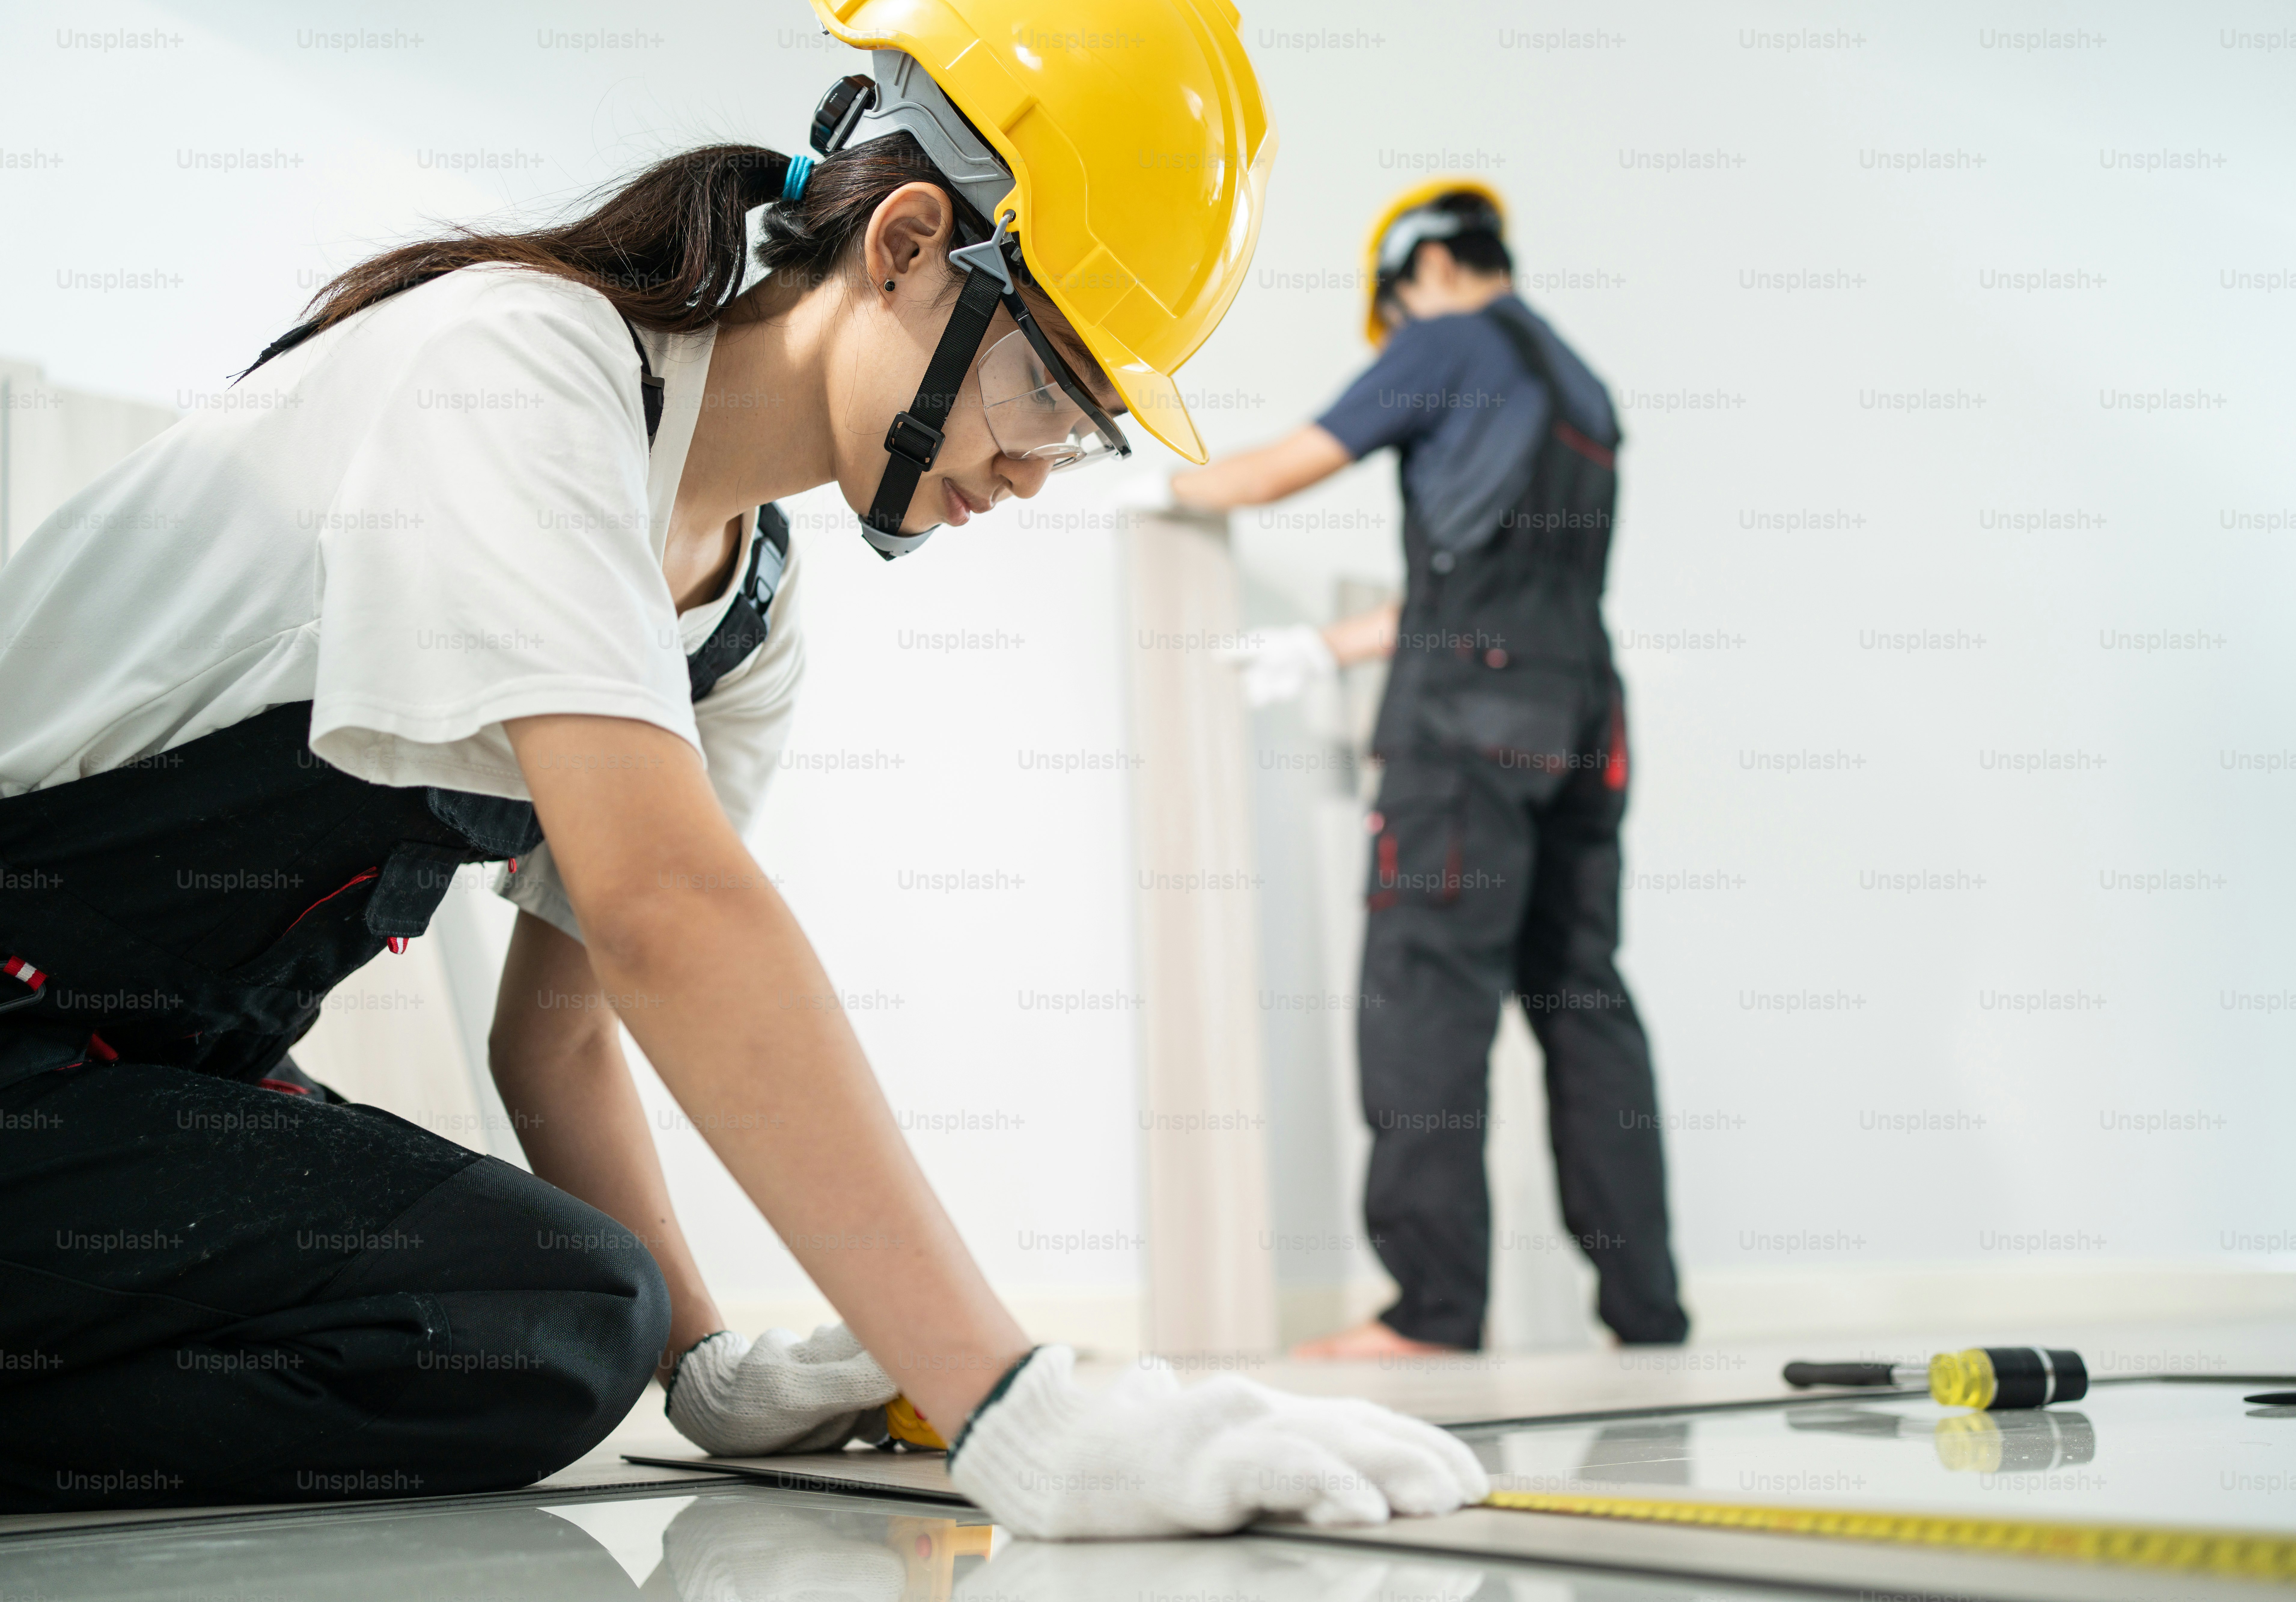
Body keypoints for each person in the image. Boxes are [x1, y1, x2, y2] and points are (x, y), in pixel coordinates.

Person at [0, 0, 1488, 1534]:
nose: (1042, 466)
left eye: (1087, 429)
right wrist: (1011, 1402)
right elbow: (667, 907)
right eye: (1048, 386)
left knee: (558, 1323)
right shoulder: (521, 369)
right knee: (556, 1312)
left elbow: (562, 1031)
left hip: (137, 1075)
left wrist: (707, 1365)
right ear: (906, 243)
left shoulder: (742, 611)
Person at [1157, 183, 1690, 1357]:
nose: (1396, 331)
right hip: (1582, 712)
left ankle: (1431, 1311)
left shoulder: (1444, 342)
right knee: (1583, 1000)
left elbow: (1279, 468)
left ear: (1428, 267)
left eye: (1393, 308)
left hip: (1465, 731)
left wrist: (1166, 488)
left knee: (1424, 998)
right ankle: (1646, 1312)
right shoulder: (1579, 384)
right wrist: (1320, 645)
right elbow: (1494, 591)